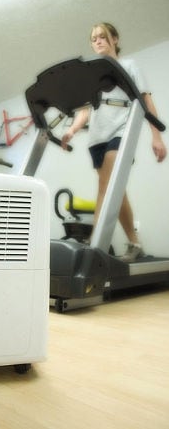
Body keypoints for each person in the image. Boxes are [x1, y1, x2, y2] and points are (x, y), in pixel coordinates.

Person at [61, 22, 167, 262]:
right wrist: (73, 130)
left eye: (103, 36)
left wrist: (156, 136)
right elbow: (86, 110)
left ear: (115, 39)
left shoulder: (128, 66)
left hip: (120, 131)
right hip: (96, 139)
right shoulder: (93, 77)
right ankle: (134, 242)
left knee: (107, 188)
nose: (98, 41)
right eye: (94, 38)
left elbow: (146, 100)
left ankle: (96, 244)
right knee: (111, 190)